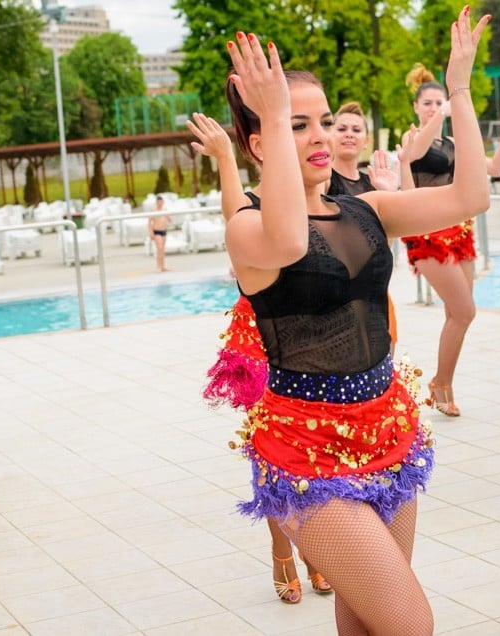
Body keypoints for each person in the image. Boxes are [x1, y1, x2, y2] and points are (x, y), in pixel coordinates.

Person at [220, 9, 490, 633]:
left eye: (322, 120)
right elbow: (291, 241)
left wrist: (458, 89)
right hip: (305, 450)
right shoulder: (247, 228)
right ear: (260, 143)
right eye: (297, 124)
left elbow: (471, 196)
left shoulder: (366, 209)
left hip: (388, 430)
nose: (319, 135)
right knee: (411, 622)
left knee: (367, 621)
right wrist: (270, 111)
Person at [188, 112, 333, 603]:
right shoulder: (252, 208)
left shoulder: (326, 194)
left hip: (317, 338)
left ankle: (317, 547)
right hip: (263, 341)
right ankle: (282, 552)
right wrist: (225, 158)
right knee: (277, 454)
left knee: (318, 449)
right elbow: (235, 217)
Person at [399, 66, 500, 417]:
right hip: (427, 233)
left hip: (459, 232)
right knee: (466, 311)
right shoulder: (412, 138)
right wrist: (443, 112)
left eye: (438, 101)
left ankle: (442, 384)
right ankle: (441, 384)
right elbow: (416, 152)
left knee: (458, 314)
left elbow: (494, 169)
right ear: (416, 107)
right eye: (427, 103)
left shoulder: (453, 143)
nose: (433, 107)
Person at [328, 101, 403, 352]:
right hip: (334, 289)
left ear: (366, 141)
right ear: (329, 135)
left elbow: (384, 244)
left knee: (385, 358)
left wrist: (387, 195)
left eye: (356, 130)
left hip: (373, 285)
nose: (349, 134)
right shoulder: (322, 181)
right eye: (341, 129)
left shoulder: (373, 184)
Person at [148, 195, 172, 272]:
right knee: (159, 249)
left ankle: (163, 266)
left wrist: (167, 215)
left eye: (161, 202)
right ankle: (158, 266)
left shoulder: (165, 210)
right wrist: (151, 232)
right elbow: (149, 223)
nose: (159, 203)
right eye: (158, 202)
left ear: (163, 202)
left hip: (163, 231)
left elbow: (170, 220)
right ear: (156, 203)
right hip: (157, 231)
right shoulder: (154, 211)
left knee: (163, 250)